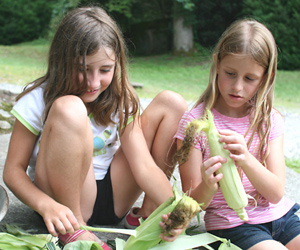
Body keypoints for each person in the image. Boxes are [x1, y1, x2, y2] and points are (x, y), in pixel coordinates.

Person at [3, 6, 187, 249]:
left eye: (104, 70)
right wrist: (46, 205)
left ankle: (150, 212)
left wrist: (175, 212)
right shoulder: (38, 99)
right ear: (62, 61)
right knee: (70, 107)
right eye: (82, 69)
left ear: (116, 64)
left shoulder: (118, 98)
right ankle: (75, 230)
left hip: (113, 197)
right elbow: (13, 171)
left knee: (172, 102)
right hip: (62, 206)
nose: (93, 82)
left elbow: (142, 164)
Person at [173, 19, 300, 250]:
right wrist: (209, 185)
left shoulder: (269, 120)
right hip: (233, 224)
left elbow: (275, 193)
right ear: (217, 64)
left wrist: (246, 159)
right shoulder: (194, 124)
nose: (237, 87)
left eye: (249, 78)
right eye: (230, 73)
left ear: (267, 77)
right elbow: (194, 202)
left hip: (283, 216)